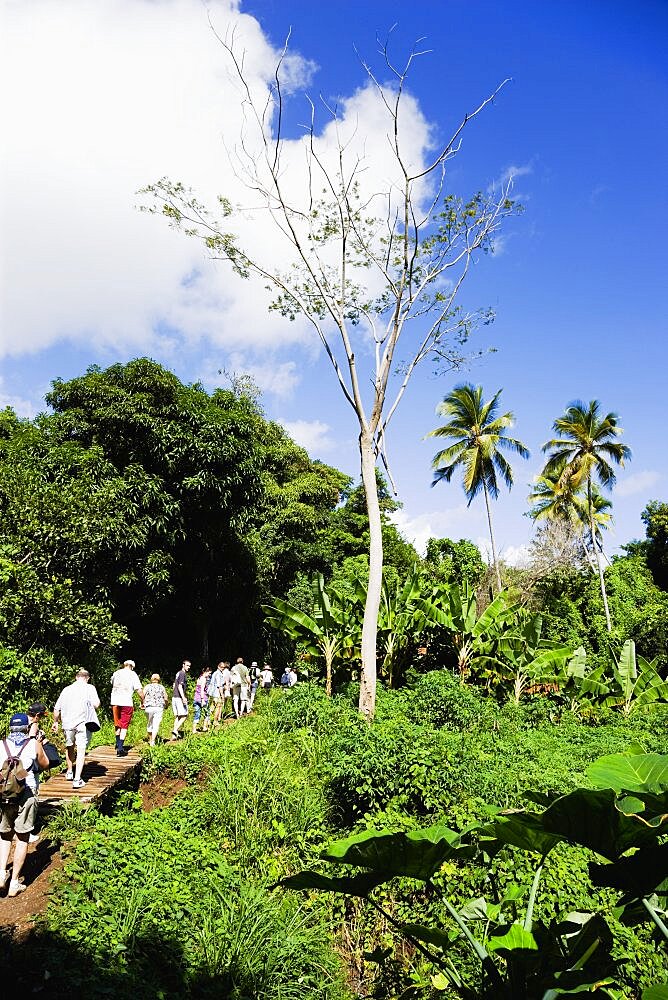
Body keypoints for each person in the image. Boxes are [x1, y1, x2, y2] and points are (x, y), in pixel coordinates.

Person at [0, 712, 49, 897]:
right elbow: (44, 764)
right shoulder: (32, 744)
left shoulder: (1, 745)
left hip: (4, 796)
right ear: (26, 728)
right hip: (26, 794)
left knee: (4, 835)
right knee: (22, 837)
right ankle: (14, 883)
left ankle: (0, 873)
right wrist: (38, 743)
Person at [52, 669, 101, 786]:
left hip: (67, 723)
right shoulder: (90, 688)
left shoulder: (66, 689)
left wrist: (55, 722)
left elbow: (56, 708)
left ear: (76, 677)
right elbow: (97, 704)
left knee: (69, 746)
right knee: (81, 749)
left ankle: (69, 771)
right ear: (87, 678)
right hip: (83, 723)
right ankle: (77, 779)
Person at [110, 659, 143, 757]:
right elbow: (139, 690)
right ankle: (120, 748)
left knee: (117, 723)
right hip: (126, 702)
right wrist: (143, 701)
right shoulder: (133, 674)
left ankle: (117, 743)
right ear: (132, 667)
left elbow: (112, 683)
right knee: (124, 725)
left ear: (124, 665)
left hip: (115, 701)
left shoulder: (116, 673)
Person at [142, 674, 168, 747]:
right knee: (156, 725)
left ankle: (150, 739)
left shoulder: (147, 686)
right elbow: (165, 698)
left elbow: (142, 695)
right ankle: (152, 741)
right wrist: (166, 705)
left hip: (149, 707)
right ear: (159, 679)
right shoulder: (161, 687)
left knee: (150, 724)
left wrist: (142, 703)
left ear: (151, 679)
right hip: (159, 708)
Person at [171, 659, 191, 740]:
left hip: (174, 697)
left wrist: (174, 693)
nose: (188, 667)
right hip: (179, 697)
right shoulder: (182, 674)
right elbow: (179, 686)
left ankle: (174, 736)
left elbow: (174, 685)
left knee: (178, 717)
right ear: (183, 665)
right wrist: (183, 698)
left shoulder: (178, 673)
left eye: (189, 666)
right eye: (187, 665)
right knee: (185, 715)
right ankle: (175, 730)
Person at [192, 667, 211, 733]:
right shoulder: (204, 679)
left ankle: (194, 729)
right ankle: (204, 727)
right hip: (202, 698)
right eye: (209, 673)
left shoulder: (199, 678)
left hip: (196, 698)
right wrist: (203, 699)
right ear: (205, 672)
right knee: (207, 713)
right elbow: (202, 690)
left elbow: (197, 689)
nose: (209, 675)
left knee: (197, 713)